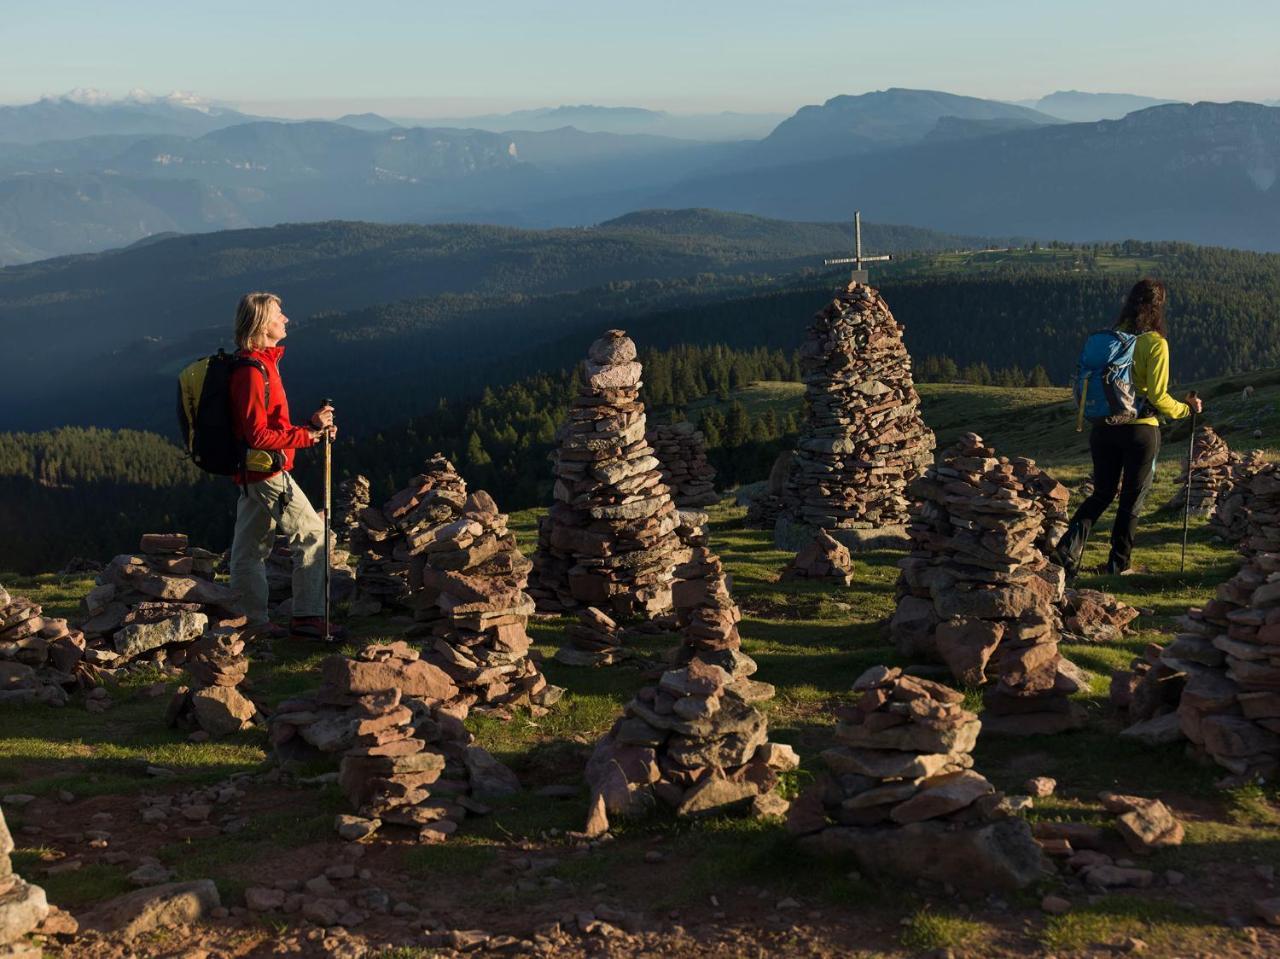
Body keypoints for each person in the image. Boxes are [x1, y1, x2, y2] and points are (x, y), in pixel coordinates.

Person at [1054, 278, 1203, 578]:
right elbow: (1159, 397)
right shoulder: (1155, 343)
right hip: (1140, 431)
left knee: (1102, 493)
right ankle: (1118, 565)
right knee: (1131, 499)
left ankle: (1067, 551)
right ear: (1158, 307)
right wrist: (1185, 410)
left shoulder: (1112, 337)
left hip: (1105, 426)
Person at [227, 292, 342, 640]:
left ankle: (252, 621)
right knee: (312, 536)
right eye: (279, 314)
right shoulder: (251, 371)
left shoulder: (262, 365)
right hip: (267, 473)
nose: (286, 319)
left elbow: (267, 428)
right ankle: (308, 618)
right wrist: (308, 435)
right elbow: (258, 435)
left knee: (248, 550)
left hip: (254, 472)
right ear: (262, 323)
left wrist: (310, 426)